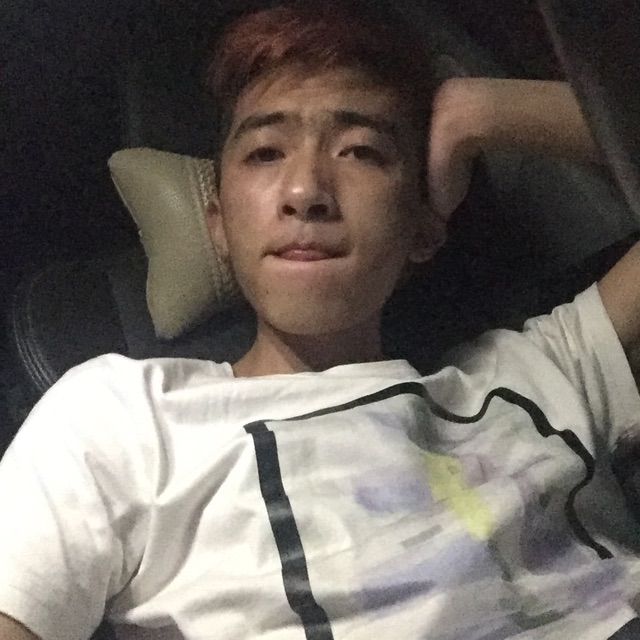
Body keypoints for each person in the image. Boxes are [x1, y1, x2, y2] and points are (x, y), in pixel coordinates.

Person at [1, 1, 640, 638]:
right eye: (265, 153)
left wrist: (480, 110)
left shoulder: (540, 368)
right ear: (218, 224)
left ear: (423, 224)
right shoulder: (120, 420)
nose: (306, 190)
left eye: (360, 151)